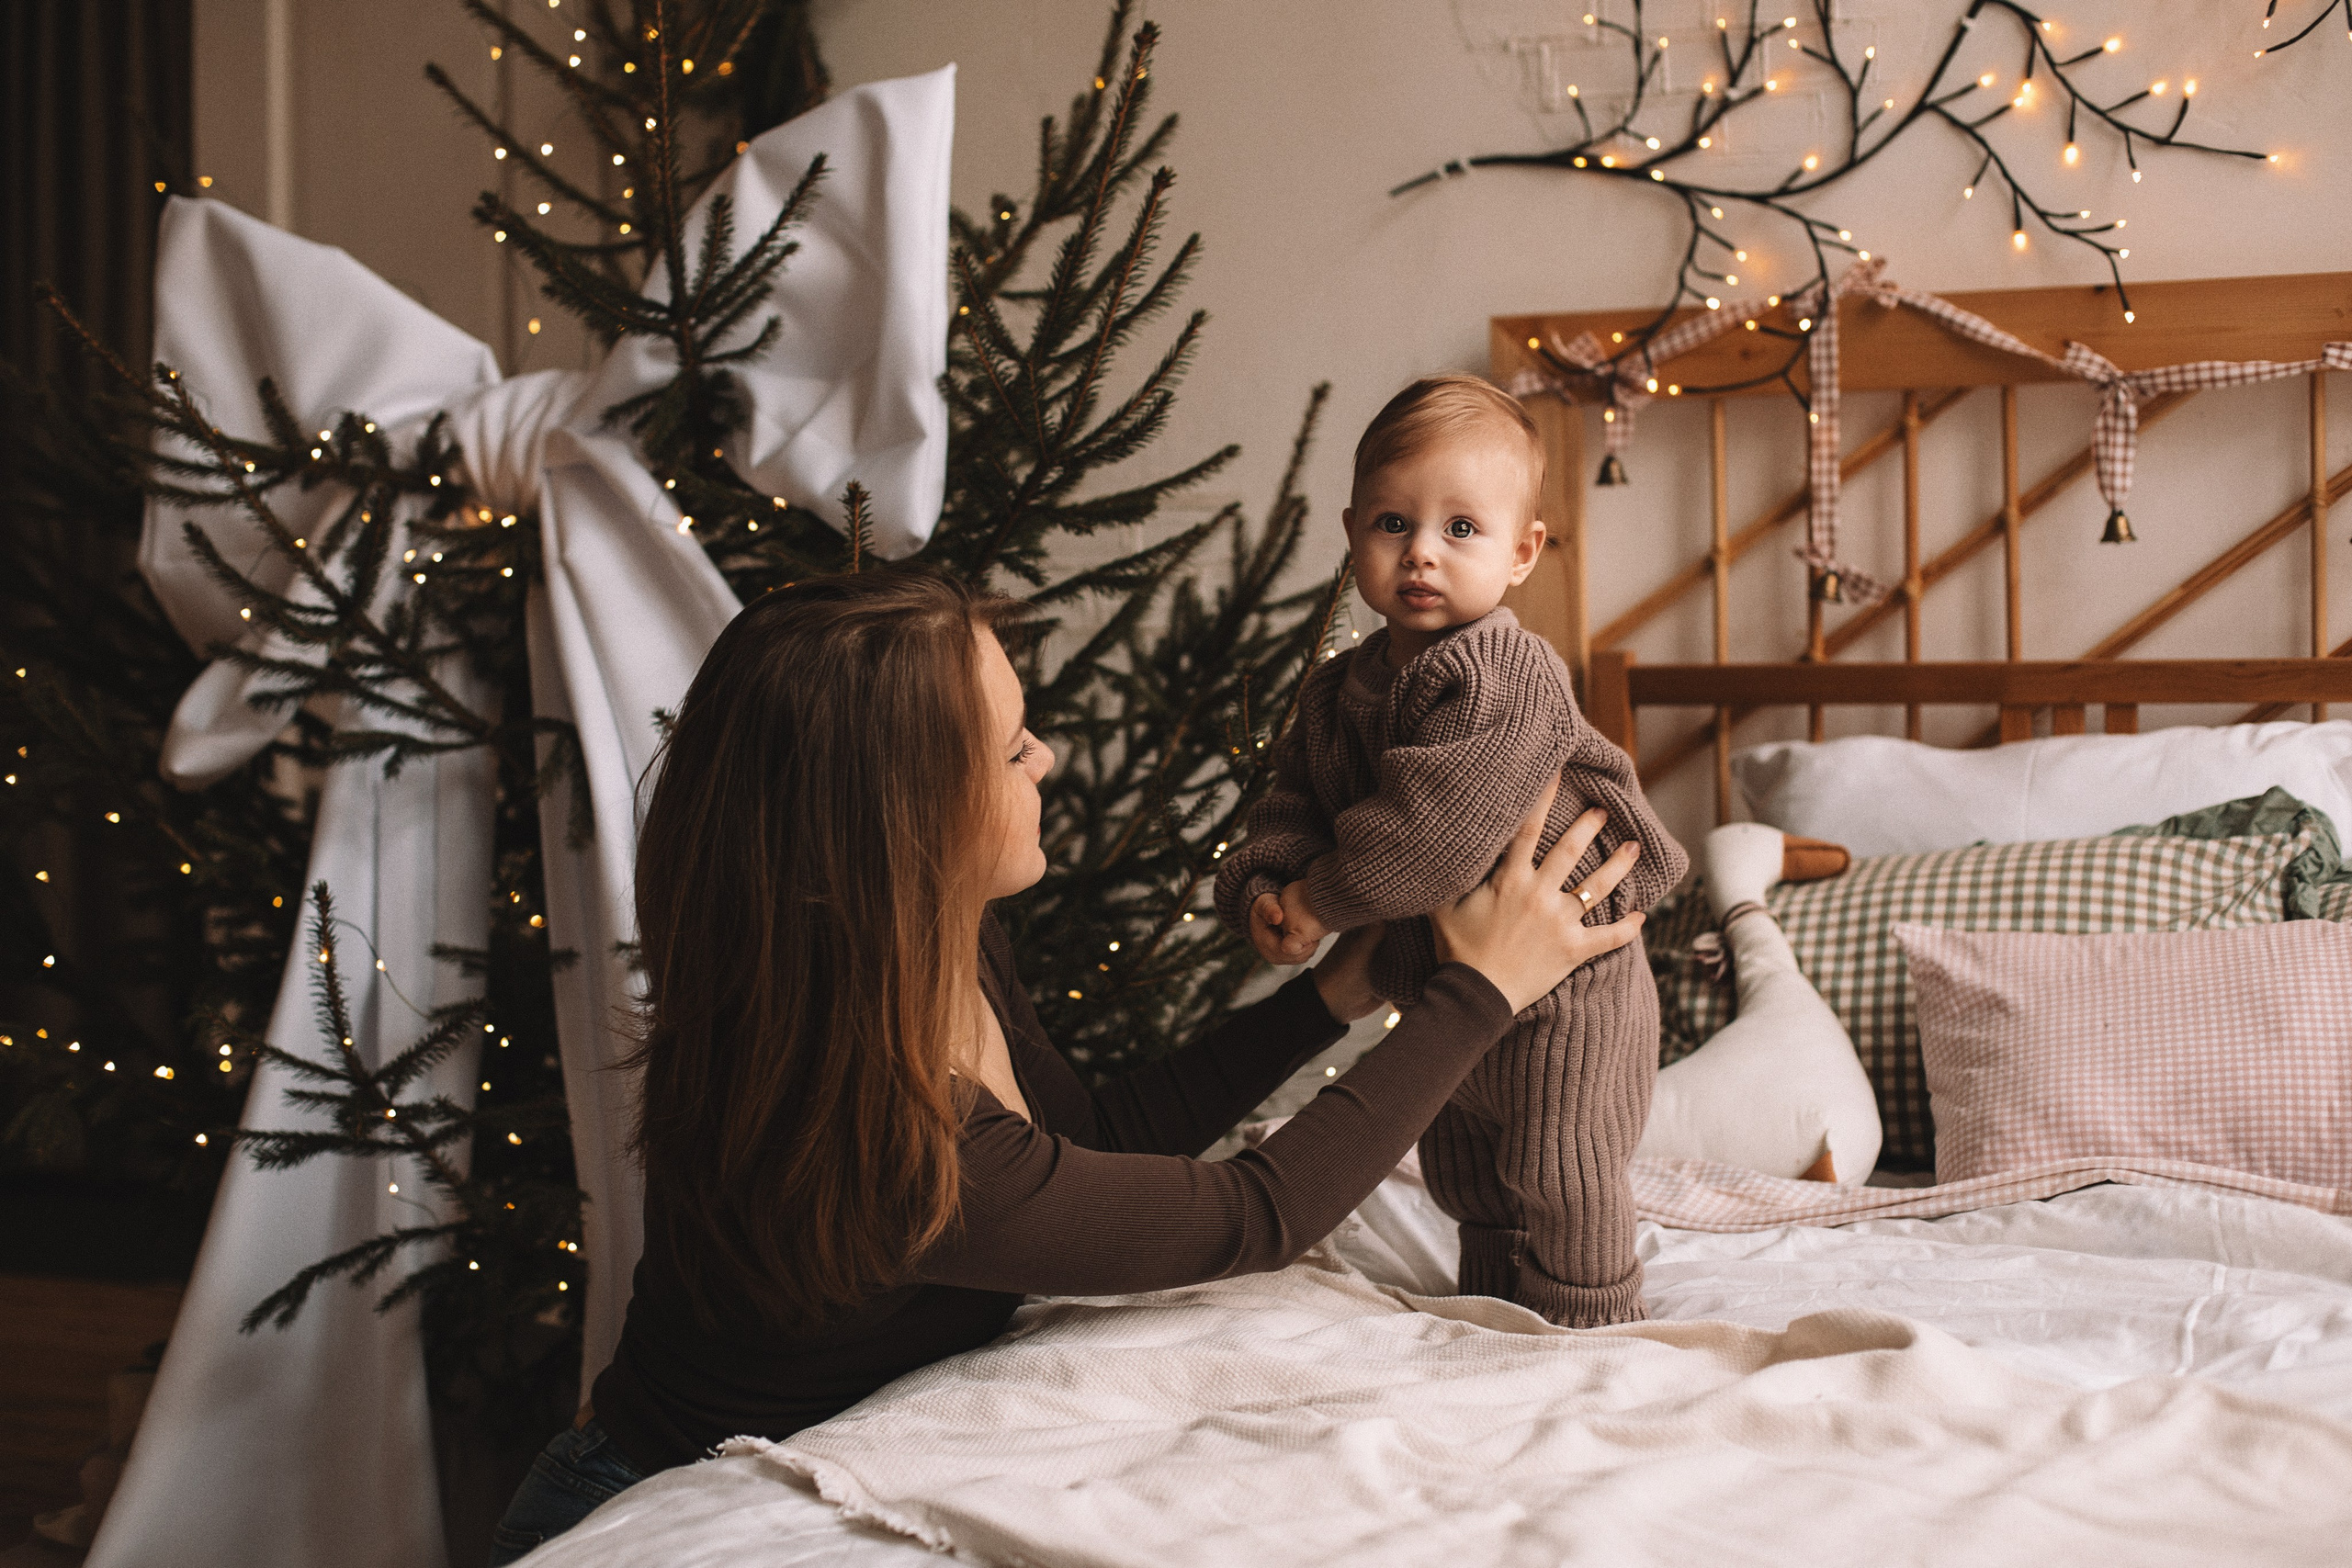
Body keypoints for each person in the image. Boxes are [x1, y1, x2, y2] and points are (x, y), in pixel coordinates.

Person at [486, 570, 1647, 1564]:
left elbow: (1088, 1136)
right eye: (1009, 745)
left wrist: (1337, 993)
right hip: (646, 1502)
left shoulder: (922, 949)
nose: (1049, 754)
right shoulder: (894, 1133)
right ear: (905, 820)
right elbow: (1256, 1215)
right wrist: (1481, 992)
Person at [1214, 374, 1688, 1330]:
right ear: (1352, 533)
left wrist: (1322, 899)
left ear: (1522, 554)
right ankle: (1495, 1315)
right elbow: (1288, 803)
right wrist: (1265, 884)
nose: (1421, 551)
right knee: (1466, 1164)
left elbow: (1437, 831)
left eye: (1460, 530)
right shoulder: (1334, 690)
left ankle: (1594, 1328)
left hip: (1569, 992)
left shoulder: (1504, 672)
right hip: (1447, 991)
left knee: (1561, 1166)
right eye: (1393, 523)